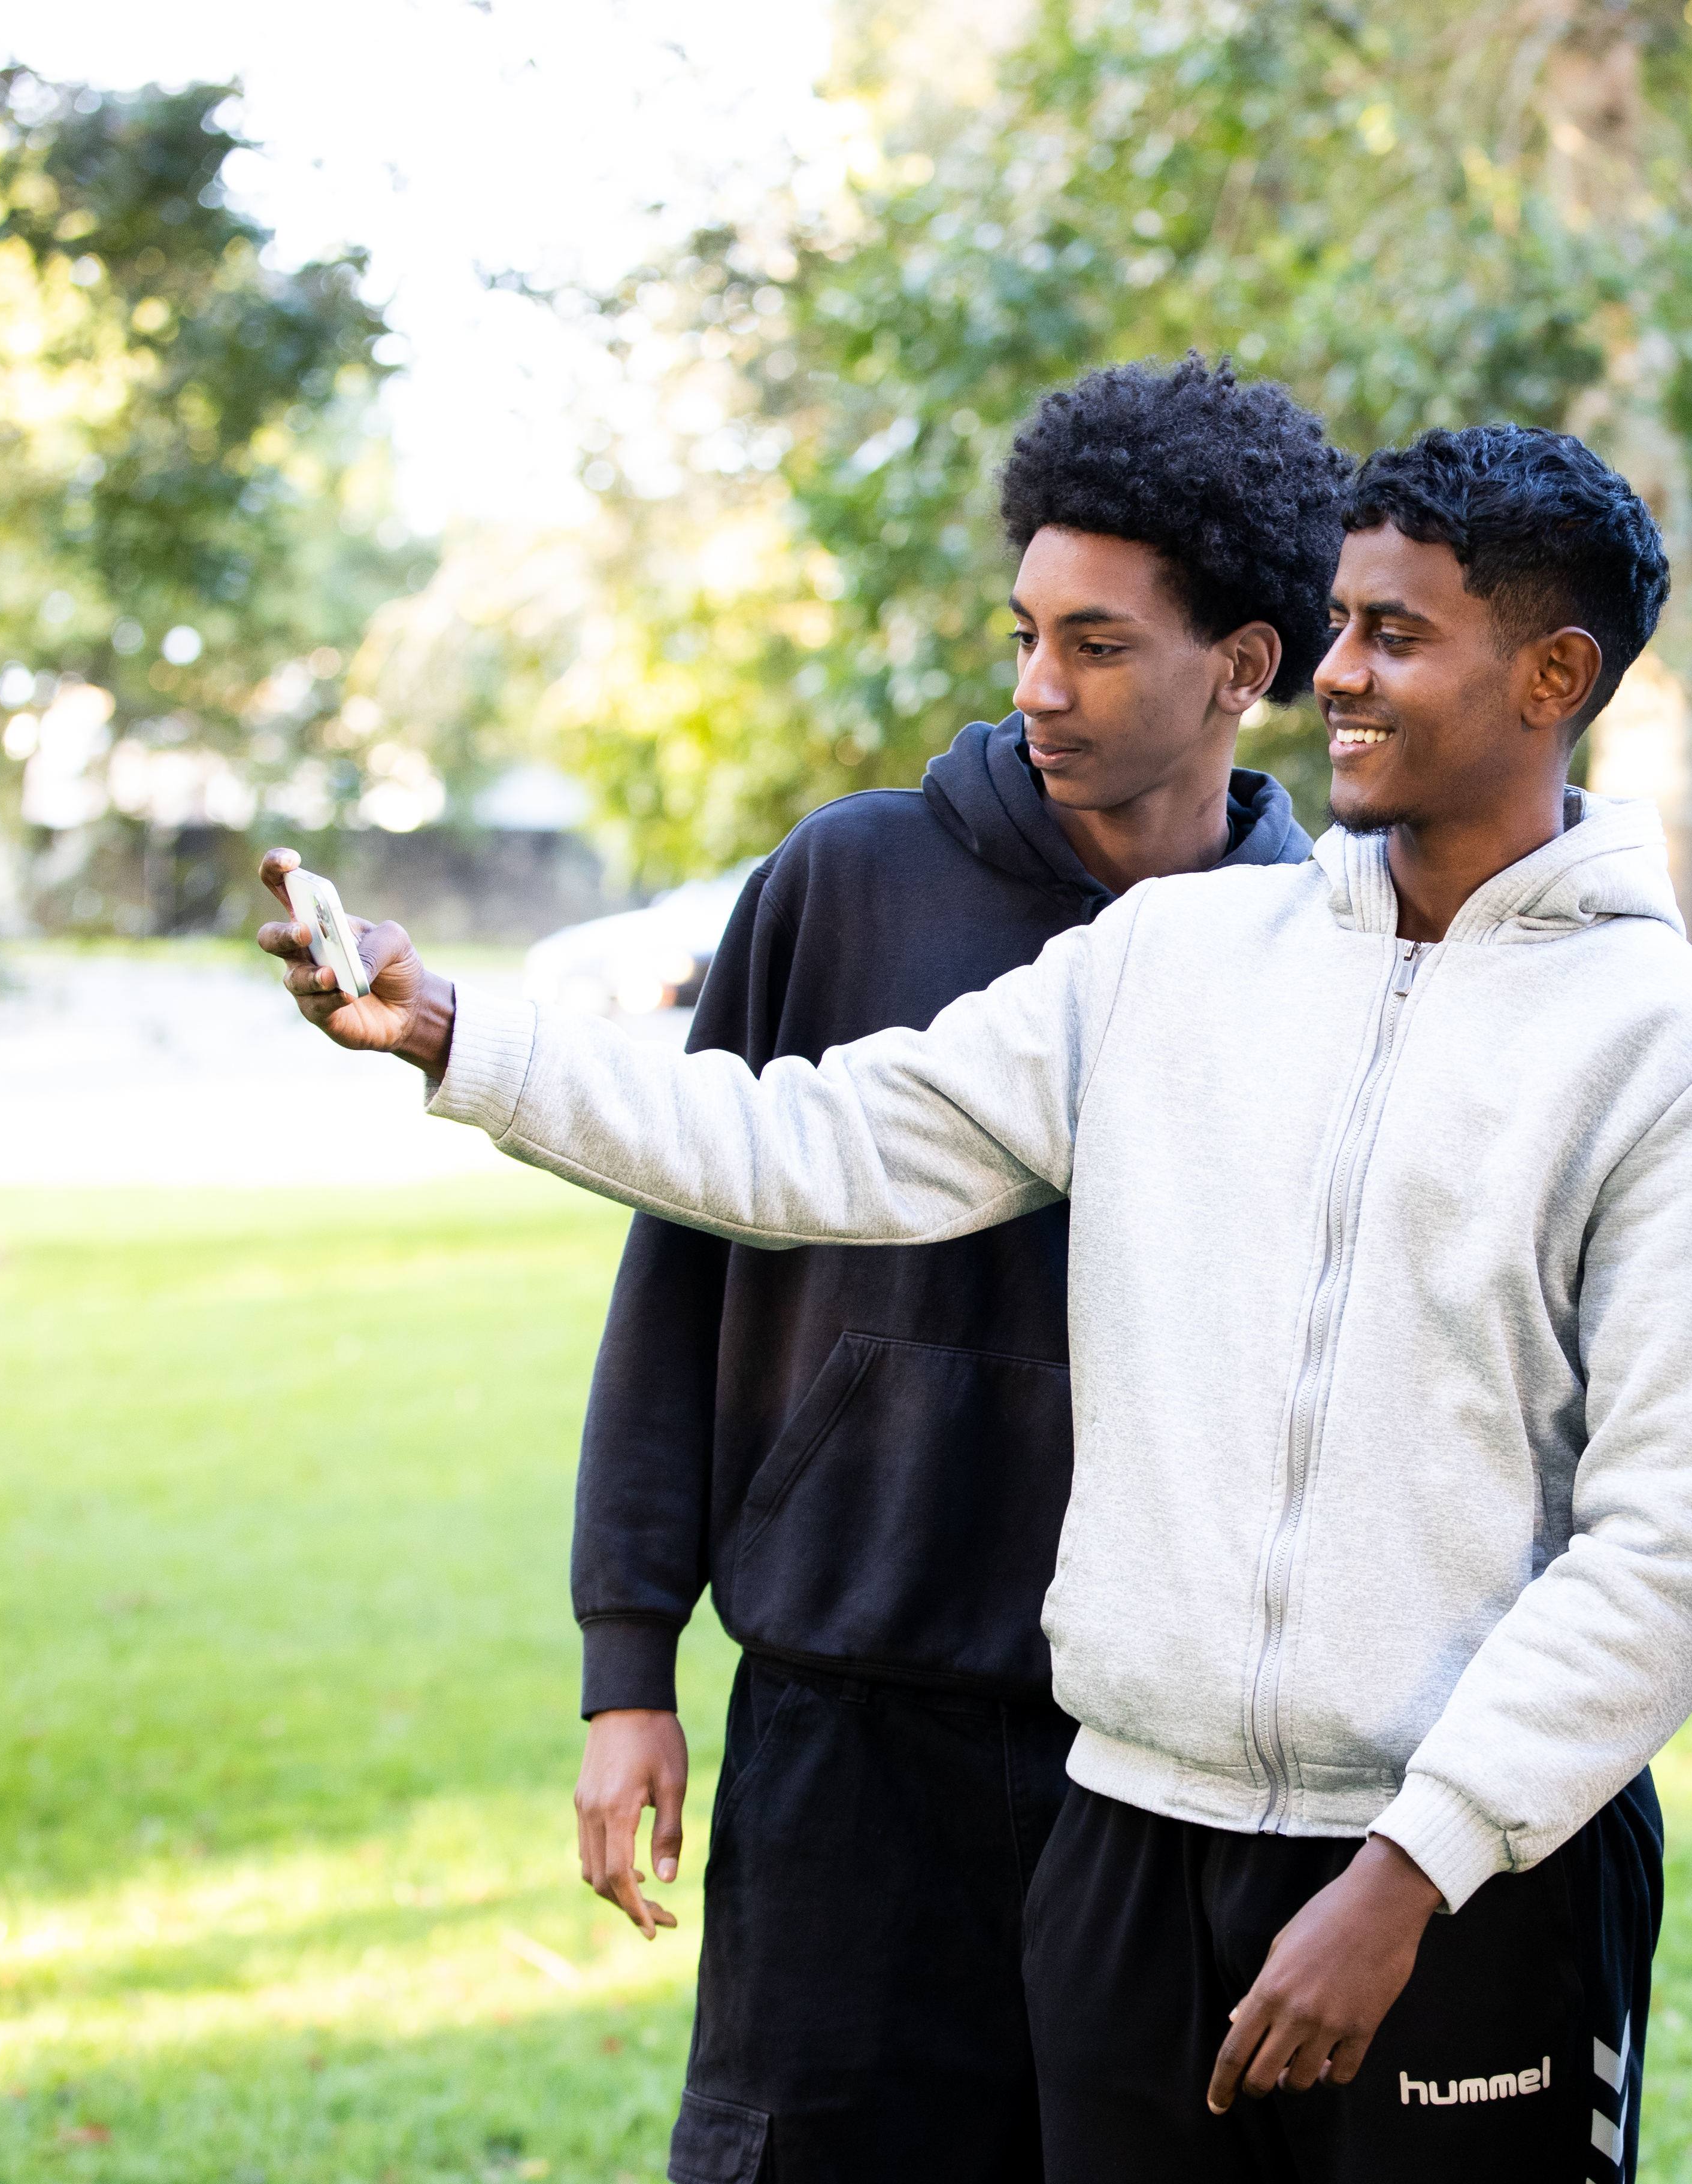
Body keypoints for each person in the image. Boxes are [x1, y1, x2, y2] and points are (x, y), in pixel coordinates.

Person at [260, 423, 1692, 2184]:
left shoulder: (1687, 1066)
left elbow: (1666, 1554)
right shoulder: (1174, 965)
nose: (1338, 676)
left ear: (1555, 675)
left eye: (1395, 634)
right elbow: (808, 1144)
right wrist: (463, 1036)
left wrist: (1411, 1874)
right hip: (1130, 1850)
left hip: (1466, 1882)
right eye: (1337, 625)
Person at [517, 357, 1332, 2184]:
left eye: (1100, 645)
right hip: (847, 1722)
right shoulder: (851, 879)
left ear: (1249, 667)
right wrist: (625, 1666)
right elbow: (688, 1258)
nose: (1038, 685)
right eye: (1027, 630)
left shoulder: (1328, 940)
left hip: (1170, 1758)